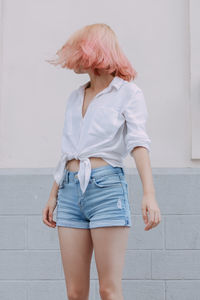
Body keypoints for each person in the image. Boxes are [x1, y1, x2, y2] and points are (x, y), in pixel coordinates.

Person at [43, 23, 161, 300]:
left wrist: (149, 193)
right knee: (75, 293)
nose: (74, 58)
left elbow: (138, 143)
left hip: (106, 189)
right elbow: (68, 150)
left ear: (93, 54)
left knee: (108, 290)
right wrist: (53, 195)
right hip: (70, 191)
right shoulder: (75, 97)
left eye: (79, 51)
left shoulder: (128, 93)